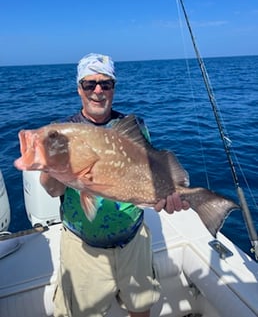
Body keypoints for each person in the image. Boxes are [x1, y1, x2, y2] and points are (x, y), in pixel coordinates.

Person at [40, 53, 190, 317]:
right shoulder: (64, 132)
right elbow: (53, 190)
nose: (98, 91)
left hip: (134, 240)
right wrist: (52, 164)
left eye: (105, 84)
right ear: (79, 89)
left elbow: (151, 172)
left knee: (141, 307)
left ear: (113, 88)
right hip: (84, 247)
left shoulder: (134, 126)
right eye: (90, 84)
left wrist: (168, 197)